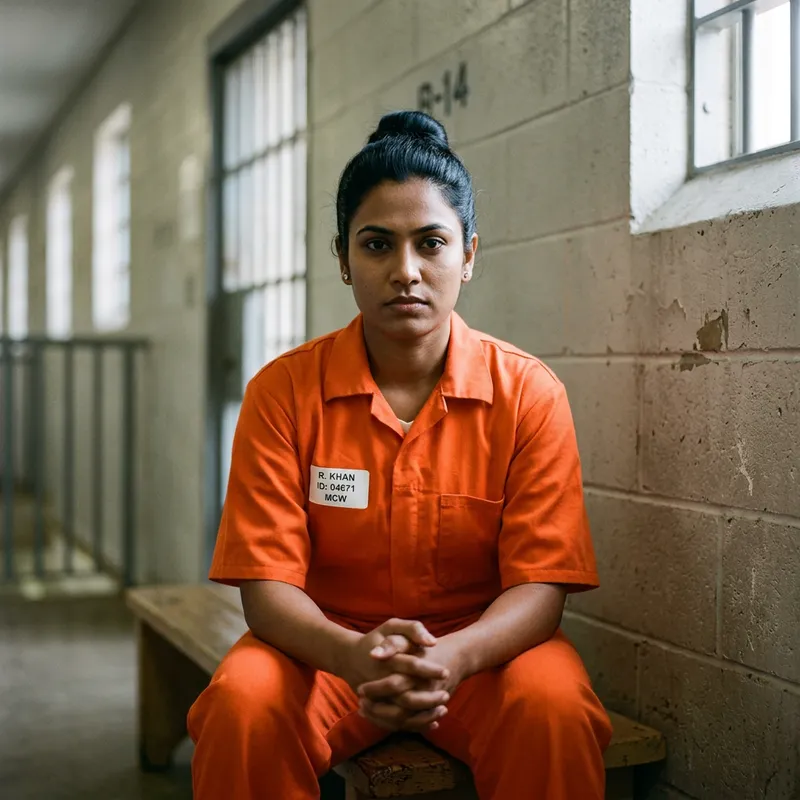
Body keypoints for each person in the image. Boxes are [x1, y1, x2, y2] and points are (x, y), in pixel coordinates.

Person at [188, 110, 612, 799]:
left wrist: (453, 658)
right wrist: (352, 656)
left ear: (468, 255)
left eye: (432, 243)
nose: (405, 271)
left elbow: (541, 587)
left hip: (482, 657)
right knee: (241, 704)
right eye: (377, 245)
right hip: (321, 653)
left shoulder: (527, 394)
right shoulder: (283, 393)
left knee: (555, 708)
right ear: (342, 258)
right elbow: (265, 591)